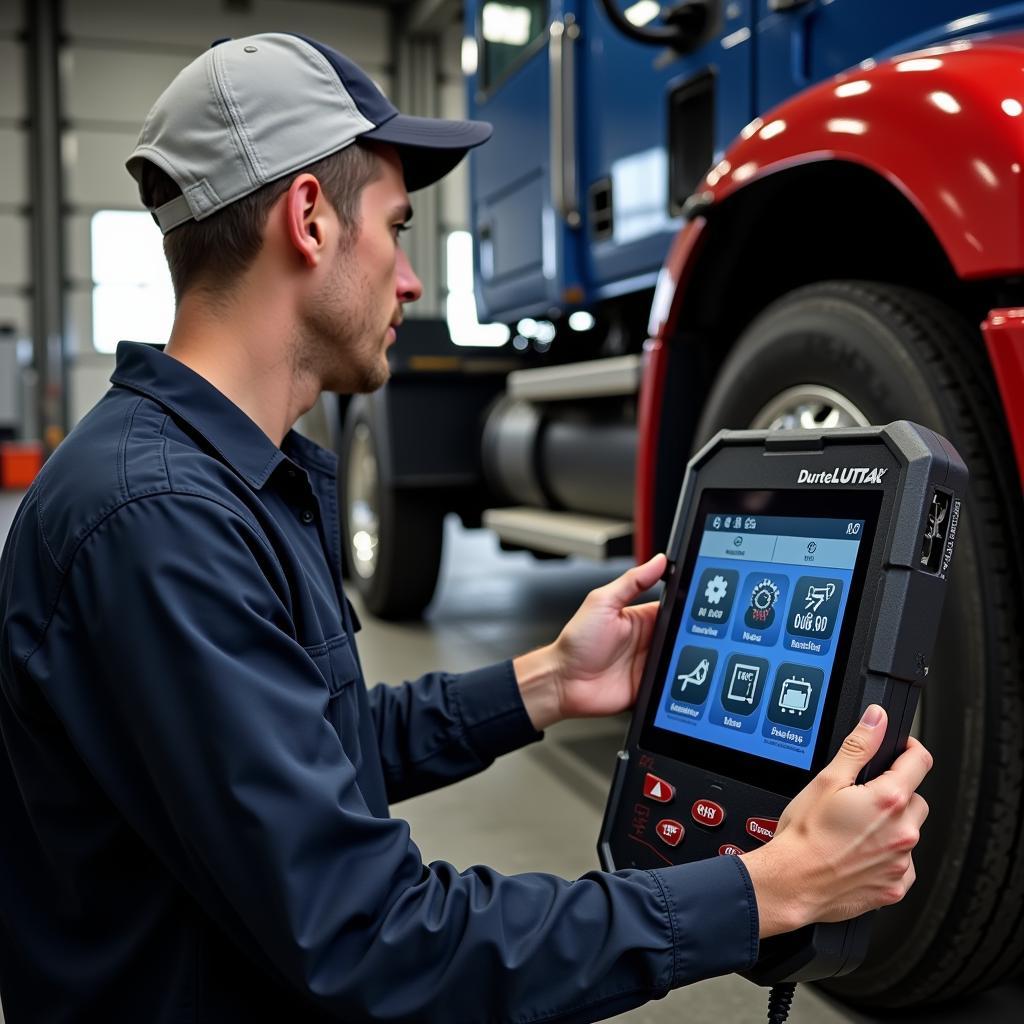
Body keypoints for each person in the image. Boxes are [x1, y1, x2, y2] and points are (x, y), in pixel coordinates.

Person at [0, 32, 931, 1023]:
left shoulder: (205, 481)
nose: (409, 280)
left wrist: (546, 682)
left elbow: (307, 749)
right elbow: (372, 938)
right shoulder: (160, 521)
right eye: (394, 229)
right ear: (308, 220)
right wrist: (762, 892)